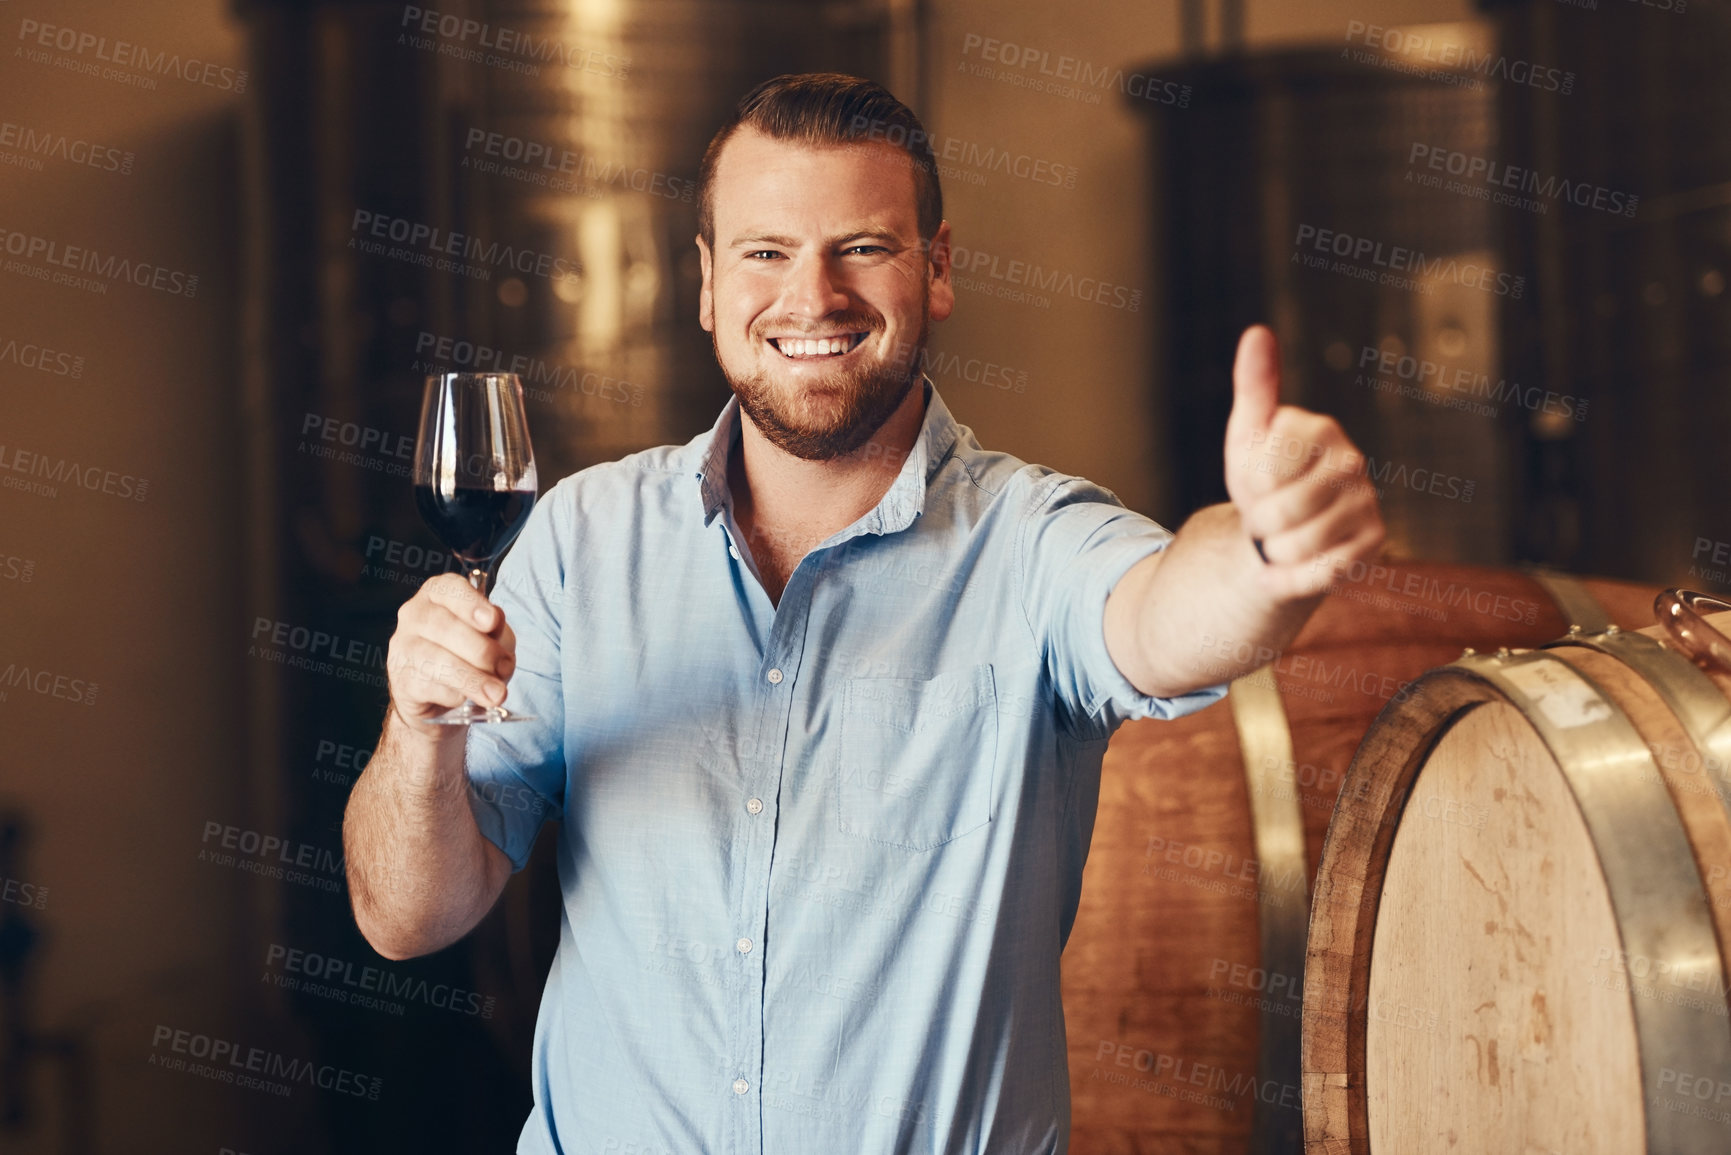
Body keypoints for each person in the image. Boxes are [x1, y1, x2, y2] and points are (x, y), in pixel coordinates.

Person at [343, 72, 1382, 1155]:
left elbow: (1164, 617)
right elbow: (405, 918)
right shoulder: (580, 539)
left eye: (863, 248)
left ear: (936, 269)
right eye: (765, 252)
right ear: (704, 283)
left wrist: (1266, 554)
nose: (814, 297)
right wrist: (419, 735)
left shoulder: (1026, 542)